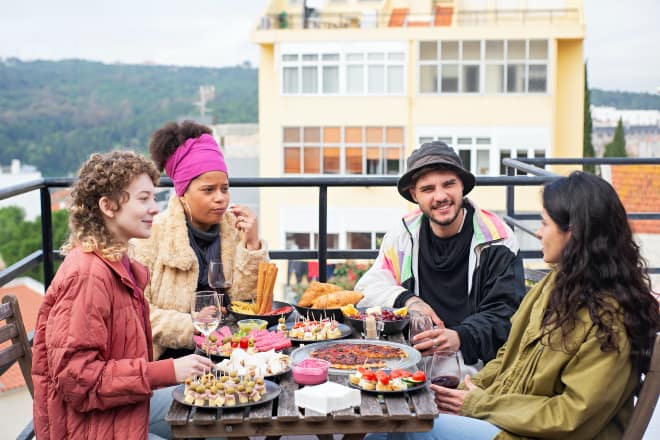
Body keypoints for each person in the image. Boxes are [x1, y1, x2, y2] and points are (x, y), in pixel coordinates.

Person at [371, 171, 660, 440]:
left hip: (532, 434)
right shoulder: (554, 286)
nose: (538, 233)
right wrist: (472, 390)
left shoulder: (608, 321)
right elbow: (508, 356)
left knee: (412, 427)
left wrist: (479, 404)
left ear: (574, 232)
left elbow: (572, 416)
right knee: (385, 425)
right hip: (510, 421)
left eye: (545, 223)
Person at [31, 151, 215, 439]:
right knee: (208, 412)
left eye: (154, 198)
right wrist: (166, 371)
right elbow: (77, 379)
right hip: (90, 428)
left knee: (212, 405)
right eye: (144, 199)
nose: (155, 208)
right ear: (108, 206)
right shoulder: (88, 276)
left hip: (117, 408)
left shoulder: (116, 264)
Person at [356, 141, 525, 373]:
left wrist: (460, 336)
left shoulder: (497, 238)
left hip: (474, 363)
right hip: (411, 356)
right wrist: (408, 299)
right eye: (428, 189)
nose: (440, 196)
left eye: (448, 185)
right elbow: (366, 289)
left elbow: (507, 313)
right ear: (414, 194)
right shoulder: (404, 233)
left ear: (462, 186)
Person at [131, 120, 268, 359]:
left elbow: (251, 306)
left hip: (232, 351)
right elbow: (138, 312)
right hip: (171, 358)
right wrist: (193, 324)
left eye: (224, 189)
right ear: (182, 193)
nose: (220, 199)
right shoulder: (152, 235)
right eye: (208, 190)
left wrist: (252, 245)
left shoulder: (234, 229)